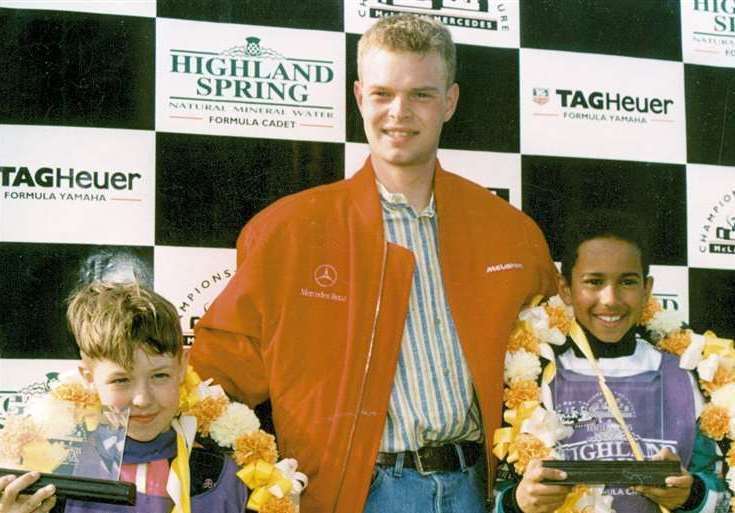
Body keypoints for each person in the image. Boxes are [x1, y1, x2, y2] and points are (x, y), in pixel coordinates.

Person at [190, 14, 557, 513]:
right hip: (354, 496)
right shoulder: (288, 232)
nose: (399, 112)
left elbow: (562, 369)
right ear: (360, 96)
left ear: (449, 102)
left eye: (421, 95)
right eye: (383, 93)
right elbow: (214, 375)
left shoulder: (511, 234)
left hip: (480, 491)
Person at [494, 210, 727, 513]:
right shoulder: (531, 380)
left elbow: (721, 490)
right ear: (565, 289)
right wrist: (518, 503)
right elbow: (494, 493)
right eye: (594, 282)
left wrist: (691, 495)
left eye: (627, 282)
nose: (610, 299)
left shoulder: (687, 374)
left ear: (647, 288)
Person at [59, 281, 248, 513]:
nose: (142, 399)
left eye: (159, 376)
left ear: (182, 368)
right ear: (89, 379)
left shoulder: (221, 475)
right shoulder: (62, 470)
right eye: (121, 380)